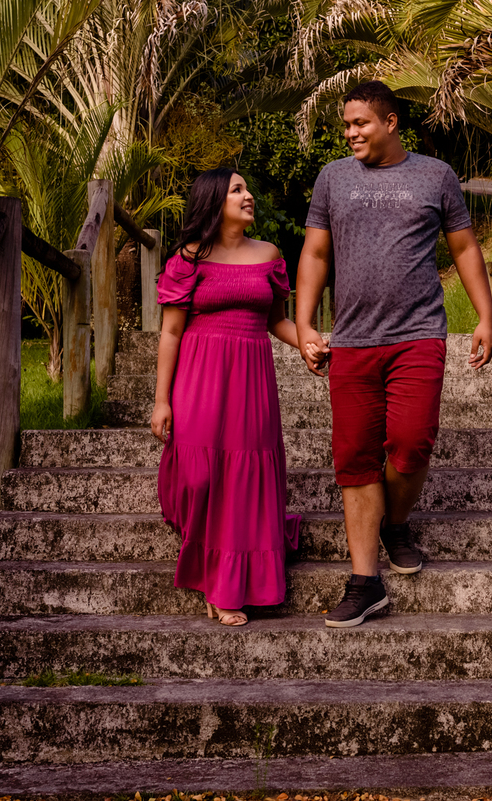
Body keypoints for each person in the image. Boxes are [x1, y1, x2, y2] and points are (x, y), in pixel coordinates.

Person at [296, 80, 492, 628]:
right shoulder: (333, 177)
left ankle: (394, 522)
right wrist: (305, 321)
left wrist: (486, 316)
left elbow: (463, 247)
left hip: (418, 335)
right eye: (345, 126)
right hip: (353, 340)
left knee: (410, 445)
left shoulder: (435, 175)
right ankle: (366, 584)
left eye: (360, 122)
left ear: (390, 122)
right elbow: (315, 251)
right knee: (356, 460)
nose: (351, 133)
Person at [151, 167, 303, 627]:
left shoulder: (270, 255)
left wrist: (311, 342)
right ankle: (210, 561)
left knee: (241, 480)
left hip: (251, 381)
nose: (249, 195)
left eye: (247, 187)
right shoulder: (188, 259)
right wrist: (162, 401)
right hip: (198, 379)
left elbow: (279, 321)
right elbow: (171, 331)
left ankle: (226, 585)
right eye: (238, 189)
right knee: (198, 477)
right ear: (215, 200)